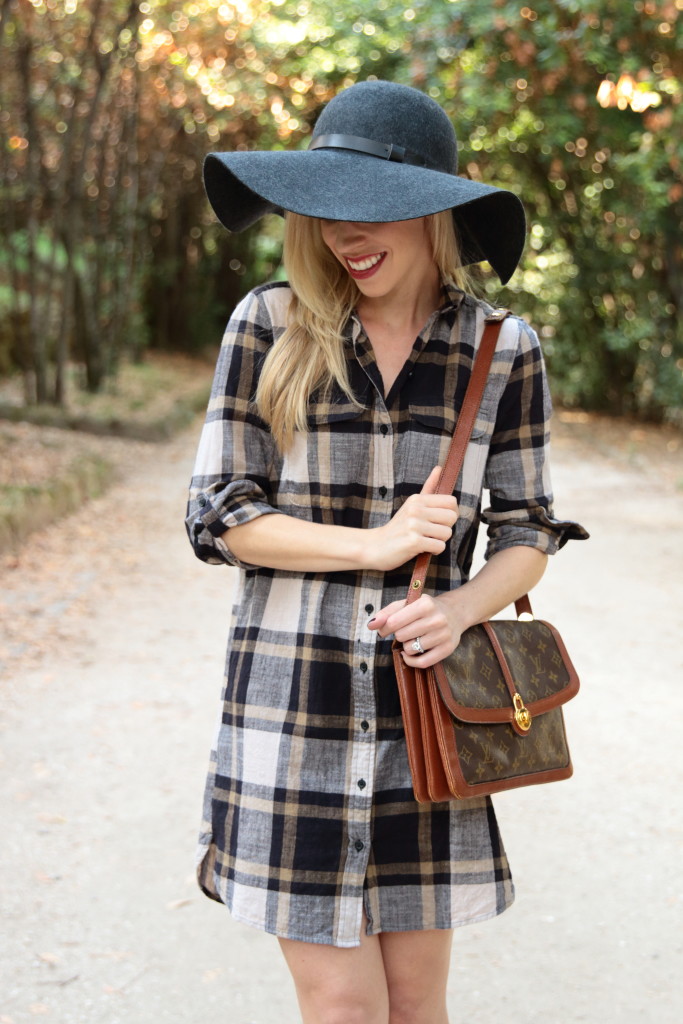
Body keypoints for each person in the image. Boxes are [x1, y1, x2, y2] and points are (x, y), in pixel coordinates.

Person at [185, 80, 587, 1024]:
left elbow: (527, 531)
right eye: (324, 211)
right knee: (343, 1009)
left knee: (415, 1006)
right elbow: (221, 516)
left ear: (435, 214)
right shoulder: (268, 325)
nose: (342, 235)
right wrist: (377, 544)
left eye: (374, 213)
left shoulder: (501, 347)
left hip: (427, 725)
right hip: (293, 712)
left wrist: (456, 609)